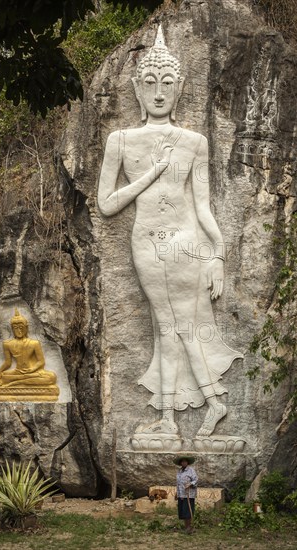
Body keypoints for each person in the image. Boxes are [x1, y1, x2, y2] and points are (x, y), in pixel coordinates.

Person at [98, 26, 242, 441]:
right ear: (136, 90)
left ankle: (181, 414)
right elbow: (107, 203)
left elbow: (202, 205)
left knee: (179, 325)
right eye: (149, 84)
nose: (158, 93)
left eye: (166, 84)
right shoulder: (120, 140)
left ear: (178, 88)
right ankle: (195, 410)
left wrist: (217, 253)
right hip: (145, 241)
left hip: (185, 243)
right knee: (171, 326)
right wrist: (151, 175)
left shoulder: (194, 142)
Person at [0, 309, 58, 393]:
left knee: (52, 377)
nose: (19, 330)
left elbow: (41, 361)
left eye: (21, 327)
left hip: (33, 372)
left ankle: (16, 383)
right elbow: (8, 363)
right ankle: (20, 381)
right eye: (15, 328)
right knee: (3, 376)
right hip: (17, 372)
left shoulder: (34, 343)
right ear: (12, 329)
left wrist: (32, 370)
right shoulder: (8, 344)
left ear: (26, 328)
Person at [174, 456, 198, 534]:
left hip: (189, 494)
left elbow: (196, 479)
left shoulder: (191, 470)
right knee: (183, 511)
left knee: (188, 511)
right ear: (180, 463)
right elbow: (178, 483)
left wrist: (190, 484)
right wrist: (177, 493)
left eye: (185, 461)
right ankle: (186, 527)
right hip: (181, 494)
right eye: (182, 461)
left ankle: (189, 527)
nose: (184, 463)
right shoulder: (179, 471)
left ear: (187, 462)